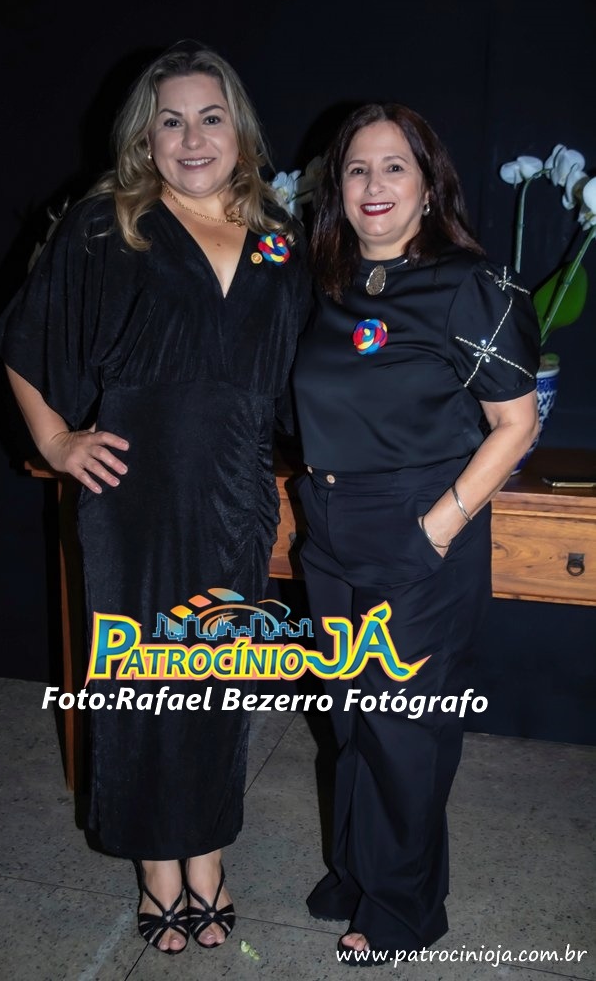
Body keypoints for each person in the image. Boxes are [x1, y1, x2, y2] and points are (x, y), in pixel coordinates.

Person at [0, 42, 309, 955]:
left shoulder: (278, 235)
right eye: (171, 120)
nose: (191, 137)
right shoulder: (109, 225)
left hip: (235, 492)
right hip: (134, 495)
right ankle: (156, 868)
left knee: (219, 683)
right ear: (146, 136)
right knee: (143, 685)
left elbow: (307, 364)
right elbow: (26, 341)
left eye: (209, 117)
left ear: (238, 131)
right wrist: (56, 441)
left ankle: (207, 854)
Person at [292, 103, 539, 960]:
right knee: (350, 718)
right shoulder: (325, 283)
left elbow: (515, 422)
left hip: (417, 524)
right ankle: (357, 873)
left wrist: (435, 529)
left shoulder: (467, 282)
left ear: (428, 186)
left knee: (403, 729)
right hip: (329, 528)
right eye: (356, 168)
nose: (373, 184)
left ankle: (399, 909)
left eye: (393, 166)